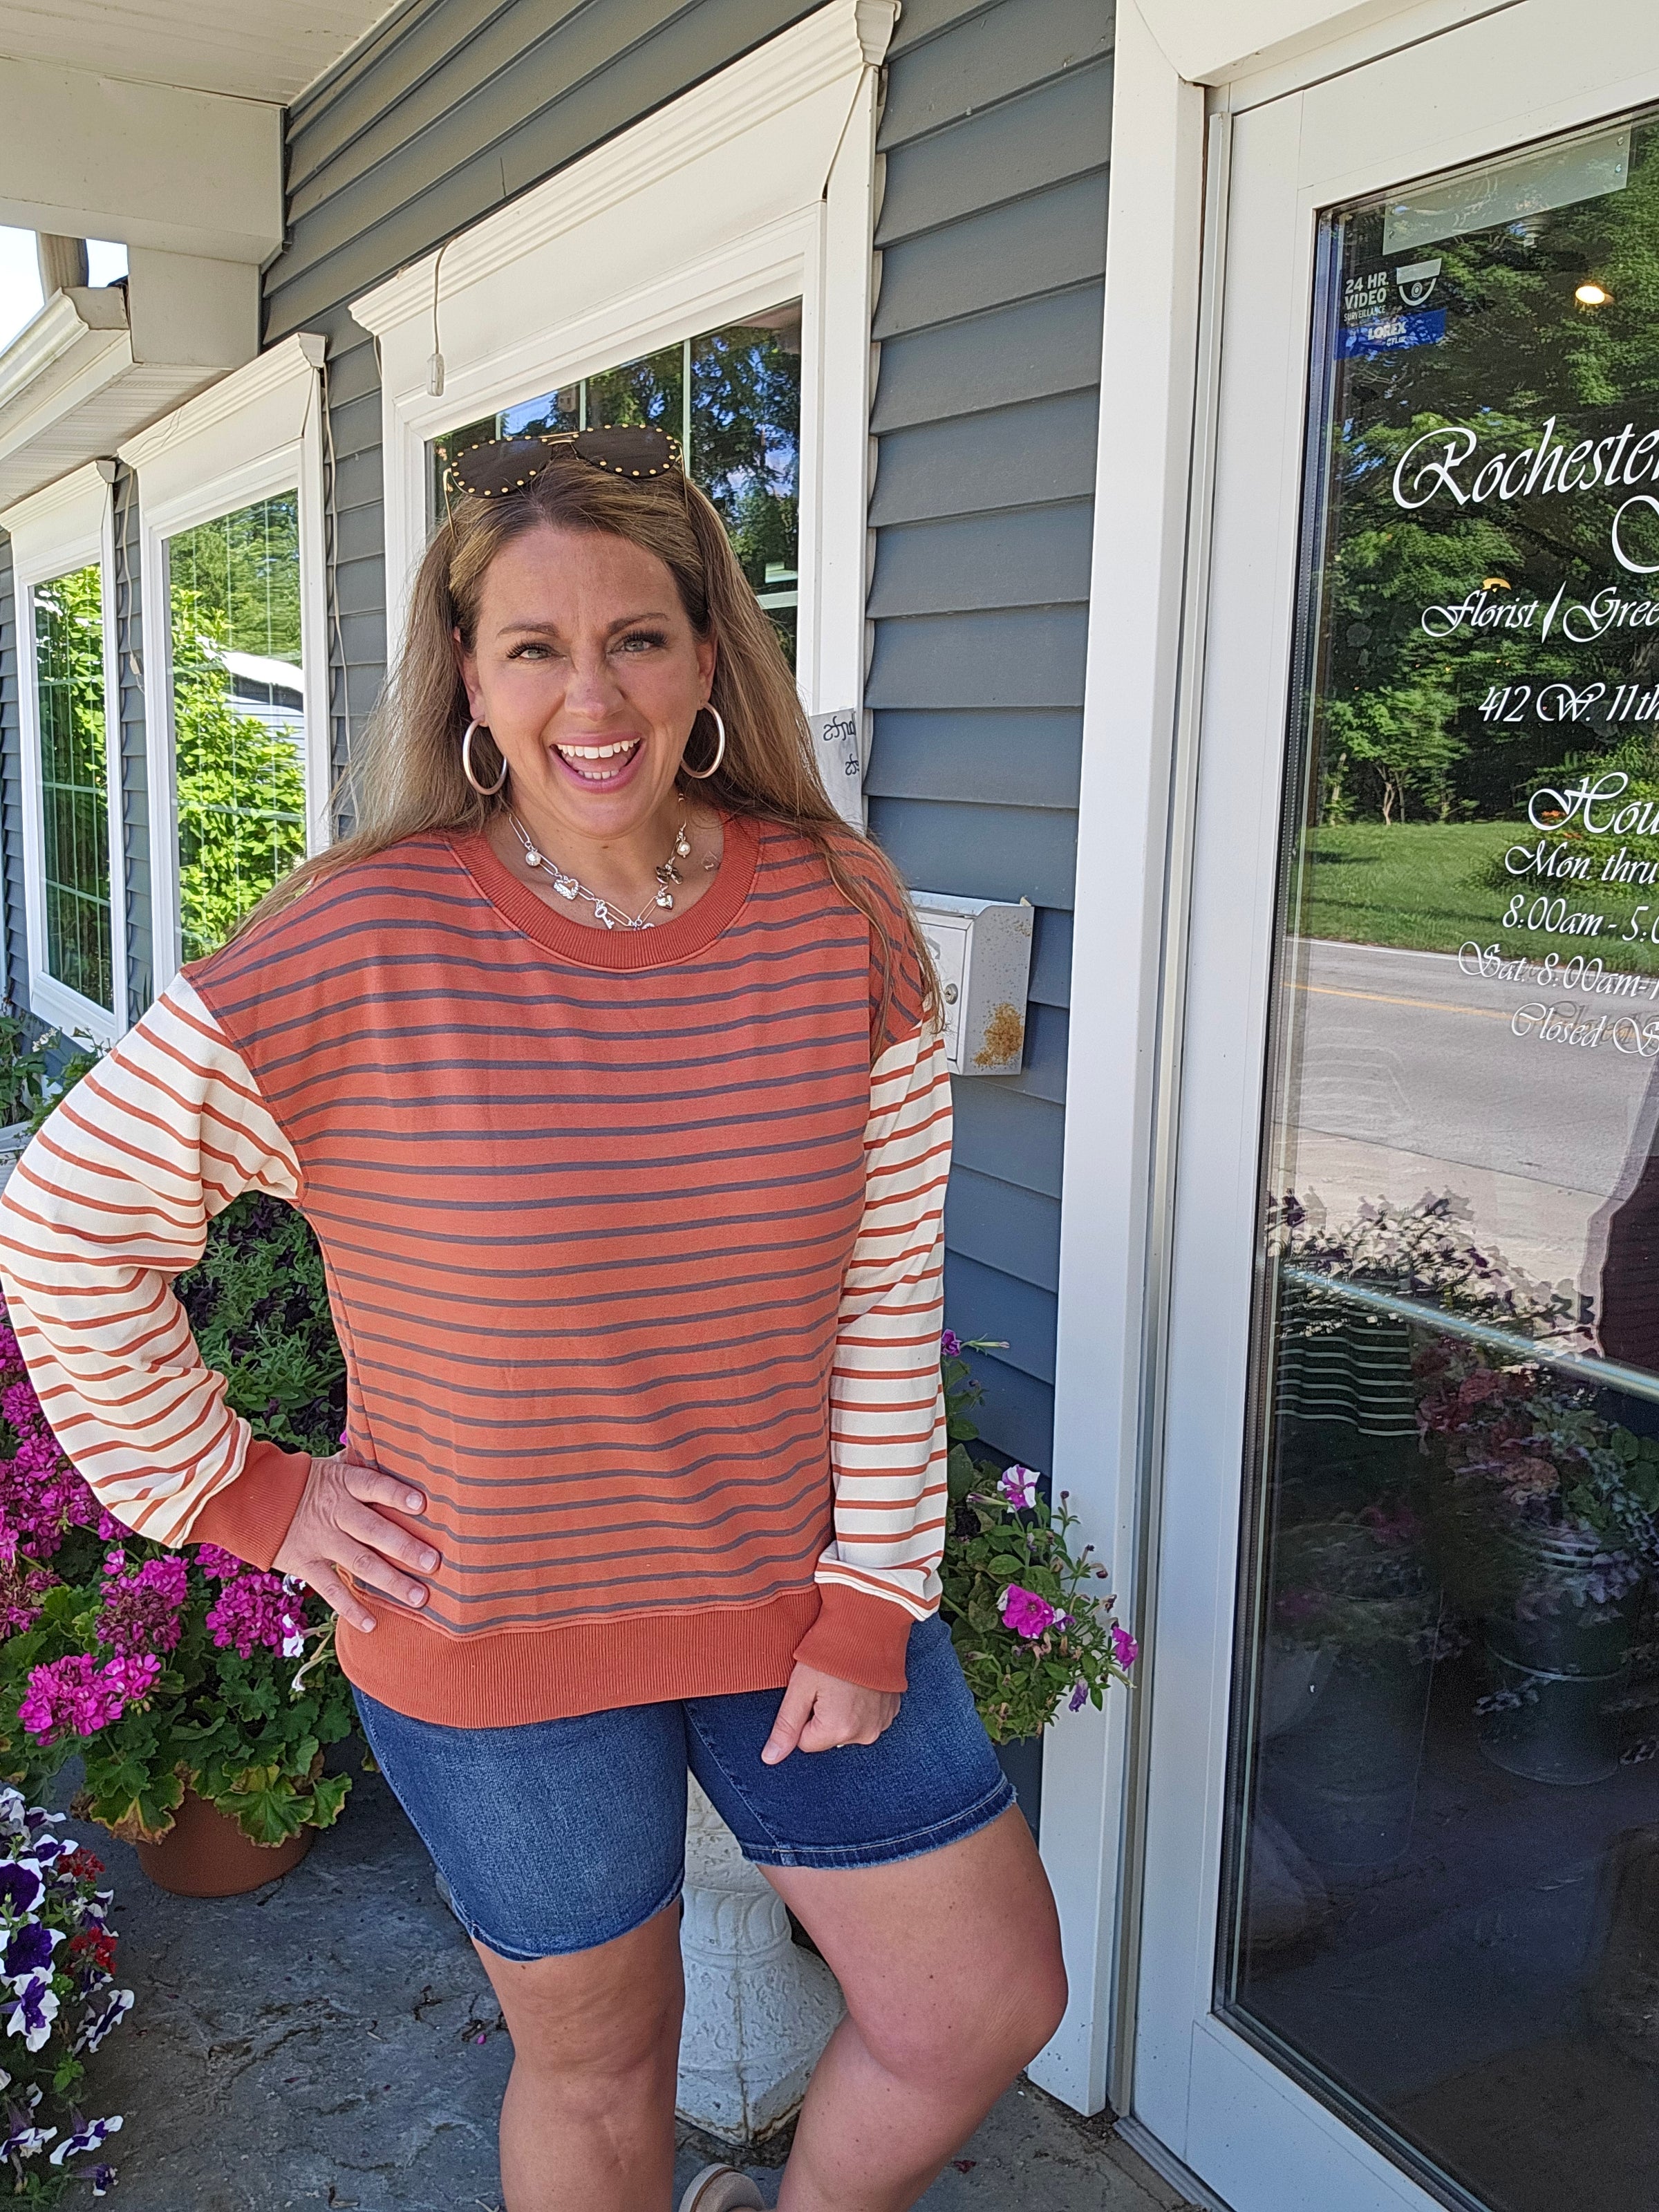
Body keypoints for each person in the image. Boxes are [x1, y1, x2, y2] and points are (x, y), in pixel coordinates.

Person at [0, 424, 1067, 2212]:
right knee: (601, 2070)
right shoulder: (358, 945)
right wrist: (250, 1494)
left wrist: (878, 1594)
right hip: (489, 1631)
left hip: (799, 1596)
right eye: (535, 646)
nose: (594, 697)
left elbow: (886, 1292)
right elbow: (64, 1225)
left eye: (638, 637)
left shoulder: (841, 917)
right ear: (468, 676)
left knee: (981, 2002)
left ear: (710, 655)